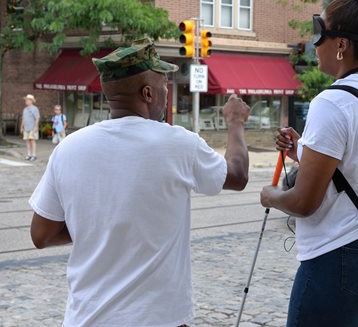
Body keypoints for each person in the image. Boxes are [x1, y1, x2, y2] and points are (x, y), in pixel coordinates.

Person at [29, 38, 250, 327]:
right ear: (147, 93)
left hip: (87, 319)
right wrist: (235, 122)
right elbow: (237, 174)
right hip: (159, 319)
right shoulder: (178, 143)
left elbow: (41, 234)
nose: (167, 92)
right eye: (163, 86)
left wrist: (98, 228)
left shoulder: (68, 148)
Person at [260, 0, 358, 327]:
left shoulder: (331, 102)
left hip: (339, 260)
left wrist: (271, 196)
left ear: (340, 44)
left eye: (318, 34)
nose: (313, 46)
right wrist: (302, 149)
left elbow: (303, 203)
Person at [20, 94, 40, 161]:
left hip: (32, 127)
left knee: (32, 140)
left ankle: (34, 155)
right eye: (26, 100)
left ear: (31, 101)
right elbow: (23, 118)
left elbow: (37, 118)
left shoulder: (35, 108)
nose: (26, 101)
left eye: (27, 100)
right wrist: (21, 127)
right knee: (27, 141)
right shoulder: (25, 109)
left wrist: (36, 127)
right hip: (26, 127)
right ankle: (29, 154)